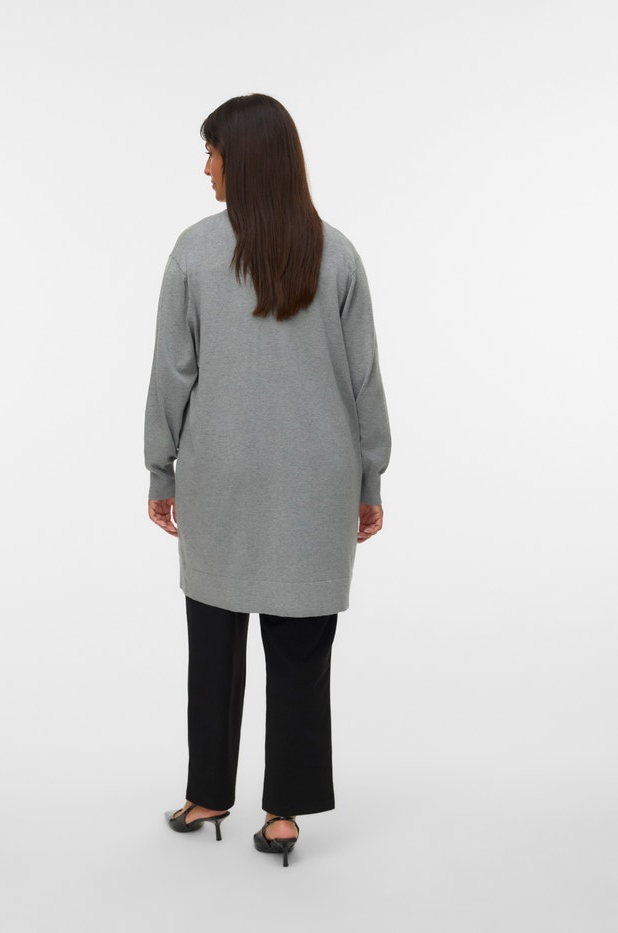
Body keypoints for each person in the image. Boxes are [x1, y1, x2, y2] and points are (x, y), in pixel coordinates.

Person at [144, 93, 391, 867]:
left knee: (213, 642)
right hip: (319, 482)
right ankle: (284, 811)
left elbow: (173, 371)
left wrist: (160, 464)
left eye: (212, 152)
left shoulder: (193, 251)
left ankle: (208, 793)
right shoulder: (337, 253)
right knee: (300, 652)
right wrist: (370, 478)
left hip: (219, 475)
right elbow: (364, 381)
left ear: (242, 159)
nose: (206, 167)